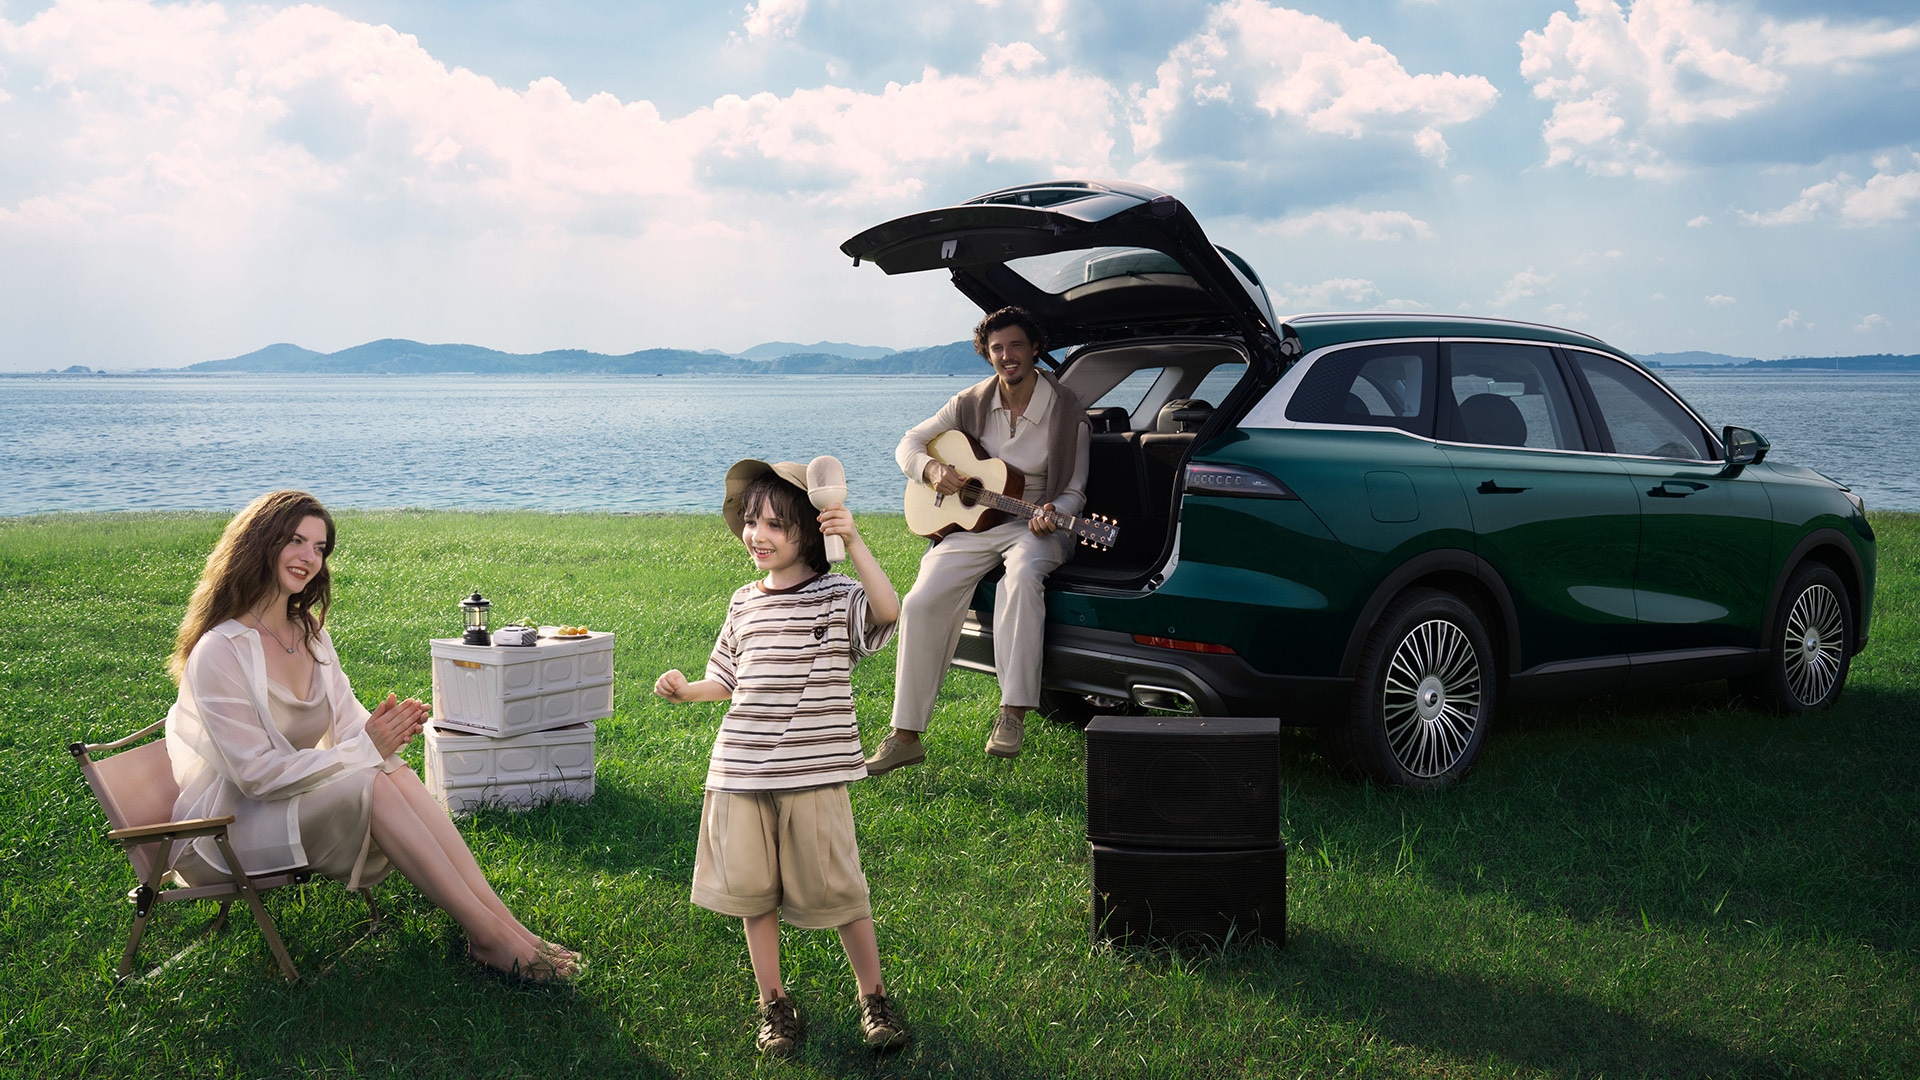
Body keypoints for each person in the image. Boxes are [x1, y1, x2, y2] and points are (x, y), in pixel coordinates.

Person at [165, 490, 580, 982]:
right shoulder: (220, 650)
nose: (308, 559)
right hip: (231, 829)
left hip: (290, 800)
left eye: (319, 548)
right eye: (295, 541)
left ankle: (505, 927)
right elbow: (255, 776)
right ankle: (489, 938)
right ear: (258, 543)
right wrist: (368, 747)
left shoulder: (310, 634)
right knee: (376, 776)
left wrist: (383, 730)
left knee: (390, 769)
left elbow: (347, 724)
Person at [653, 460, 909, 1057]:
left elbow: (889, 610)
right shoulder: (744, 602)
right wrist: (686, 688)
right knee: (753, 894)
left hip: (812, 773)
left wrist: (855, 538)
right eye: (750, 521)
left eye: (774, 523)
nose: (756, 534)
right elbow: (728, 677)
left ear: (810, 534)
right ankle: (774, 1002)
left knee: (840, 890)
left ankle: (872, 995)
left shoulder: (837, 596)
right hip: (740, 772)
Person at [864, 306, 1090, 773]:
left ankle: (1013, 712)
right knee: (921, 599)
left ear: (1035, 349)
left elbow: (1074, 491)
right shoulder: (968, 402)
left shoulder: (1068, 412)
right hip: (977, 522)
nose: (1007, 356)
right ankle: (905, 735)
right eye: (997, 349)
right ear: (987, 355)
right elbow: (908, 443)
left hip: (1035, 522)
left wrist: (1056, 513)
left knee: (1022, 576)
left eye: (1016, 346)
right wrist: (931, 470)